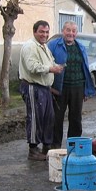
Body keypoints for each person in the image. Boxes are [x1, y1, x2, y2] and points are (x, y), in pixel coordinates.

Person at [18, 20, 64, 161]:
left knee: (48, 118)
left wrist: (57, 66)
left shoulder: (44, 47)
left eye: (46, 32)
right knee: (35, 119)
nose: (44, 35)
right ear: (34, 32)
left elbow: (49, 63)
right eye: (41, 32)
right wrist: (51, 69)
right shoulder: (30, 47)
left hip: (45, 88)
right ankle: (33, 150)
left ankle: (46, 147)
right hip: (33, 87)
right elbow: (33, 67)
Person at [47, 21, 96, 149]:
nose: (71, 33)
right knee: (57, 118)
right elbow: (46, 64)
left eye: (73, 31)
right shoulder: (53, 45)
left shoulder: (81, 47)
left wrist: (86, 90)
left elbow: (84, 68)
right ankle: (55, 146)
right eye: (68, 30)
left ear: (76, 33)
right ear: (63, 31)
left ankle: (73, 146)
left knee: (76, 118)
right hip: (59, 88)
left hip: (78, 87)